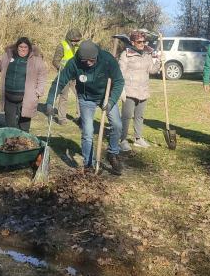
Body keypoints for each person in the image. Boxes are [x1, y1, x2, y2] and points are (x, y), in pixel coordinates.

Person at [45, 40, 125, 175]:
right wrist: (49, 102)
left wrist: (111, 101)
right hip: (86, 98)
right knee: (88, 131)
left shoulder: (107, 59)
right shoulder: (74, 63)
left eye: (91, 60)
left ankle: (113, 153)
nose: (88, 63)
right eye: (85, 61)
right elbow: (59, 82)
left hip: (107, 97)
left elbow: (119, 81)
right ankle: (89, 164)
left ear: (97, 56)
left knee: (117, 124)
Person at [0, 37, 48, 132]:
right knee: (10, 124)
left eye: (25, 47)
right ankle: (12, 142)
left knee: (24, 124)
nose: (23, 49)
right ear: (17, 47)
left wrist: (39, 91)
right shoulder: (8, 56)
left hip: (26, 96)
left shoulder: (36, 60)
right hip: (9, 96)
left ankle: (24, 143)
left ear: (29, 48)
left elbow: (42, 75)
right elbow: (0, 67)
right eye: (20, 47)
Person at [118, 30, 160, 151]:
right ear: (132, 42)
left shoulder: (147, 54)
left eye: (144, 41)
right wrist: (121, 90)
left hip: (143, 90)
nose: (142, 44)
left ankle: (138, 138)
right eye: (139, 42)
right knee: (126, 116)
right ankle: (123, 139)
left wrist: (159, 62)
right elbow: (120, 73)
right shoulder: (125, 55)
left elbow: (151, 70)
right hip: (129, 91)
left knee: (139, 116)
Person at [52, 28, 82, 124]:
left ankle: (80, 117)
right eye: (74, 40)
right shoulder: (62, 46)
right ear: (69, 38)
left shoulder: (79, 47)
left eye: (78, 40)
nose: (76, 42)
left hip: (76, 76)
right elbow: (55, 61)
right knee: (63, 96)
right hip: (65, 75)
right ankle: (61, 118)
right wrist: (61, 68)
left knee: (80, 96)